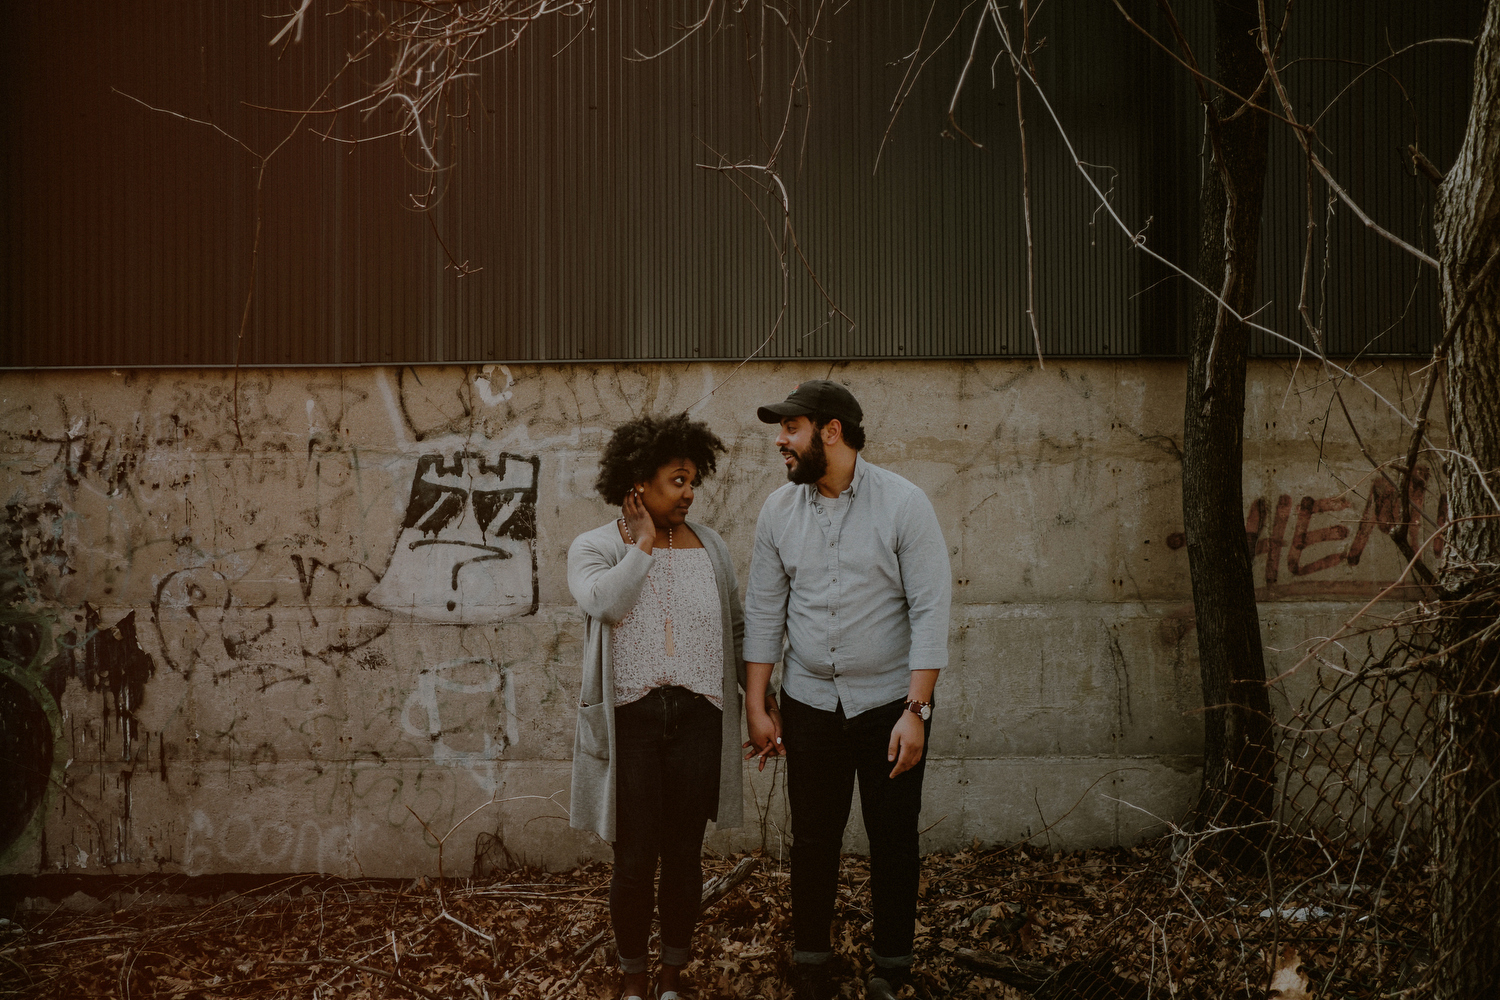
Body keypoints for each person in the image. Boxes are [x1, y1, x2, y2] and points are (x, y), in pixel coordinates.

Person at [742, 380, 951, 1000]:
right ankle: (811, 964)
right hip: (808, 704)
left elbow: (931, 609)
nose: (780, 440)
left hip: (890, 705)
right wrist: (758, 702)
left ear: (830, 432)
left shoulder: (903, 504)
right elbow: (763, 612)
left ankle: (892, 968)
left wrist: (916, 710)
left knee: (893, 839)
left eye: (791, 428)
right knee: (812, 837)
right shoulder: (778, 511)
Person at [567, 413, 749, 1000]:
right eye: (678, 480)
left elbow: (739, 630)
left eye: (694, 481)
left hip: (700, 717)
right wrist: (642, 543)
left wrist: (761, 701)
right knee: (634, 859)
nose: (690, 493)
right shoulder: (594, 547)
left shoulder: (713, 547)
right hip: (632, 724)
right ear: (639, 483)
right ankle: (633, 979)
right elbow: (607, 605)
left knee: (684, 855)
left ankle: (672, 976)